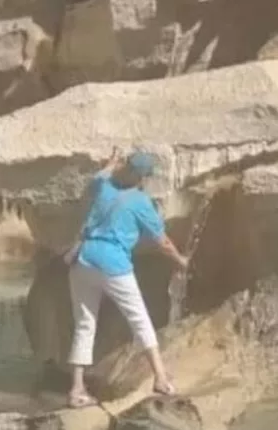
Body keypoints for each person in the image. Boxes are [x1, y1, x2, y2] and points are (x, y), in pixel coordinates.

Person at [63, 148, 190, 408]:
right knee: (140, 319)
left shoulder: (105, 186)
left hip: (83, 260)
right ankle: (161, 379)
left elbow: (99, 176)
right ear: (144, 177)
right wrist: (181, 260)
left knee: (85, 324)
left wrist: (110, 163)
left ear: (125, 167)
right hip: (113, 264)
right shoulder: (141, 202)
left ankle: (77, 390)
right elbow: (162, 242)